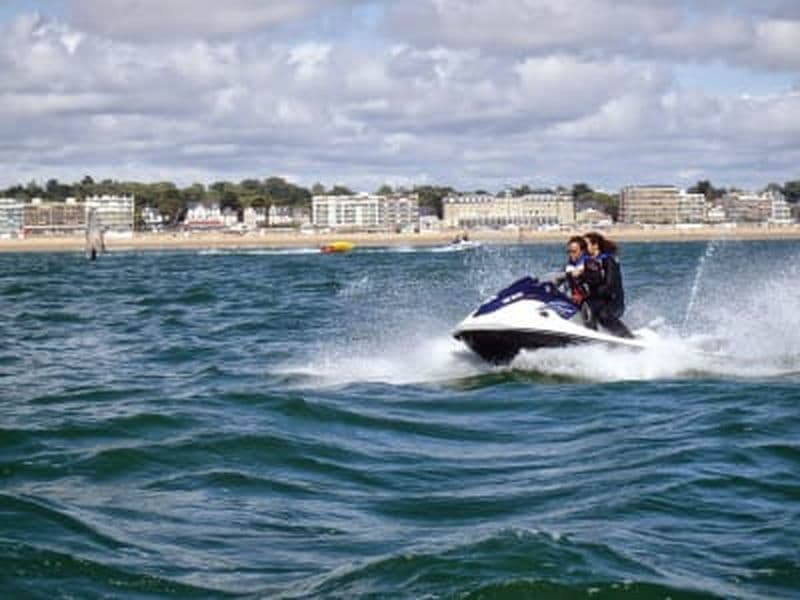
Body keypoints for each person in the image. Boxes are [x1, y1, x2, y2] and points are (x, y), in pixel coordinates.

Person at [580, 231, 634, 338]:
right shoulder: (585, 261)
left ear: (595, 245)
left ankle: (628, 337)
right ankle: (591, 335)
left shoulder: (608, 260)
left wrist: (590, 294)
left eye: (585, 245)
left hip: (613, 303)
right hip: (596, 300)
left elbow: (610, 285)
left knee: (603, 314)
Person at [553, 235, 589, 305]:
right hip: (574, 300)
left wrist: (583, 273)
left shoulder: (589, 263)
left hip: (589, 302)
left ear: (583, 251)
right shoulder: (570, 266)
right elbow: (560, 279)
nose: (571, 254)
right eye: (569, 251)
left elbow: (596, 280)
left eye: (574, 251)